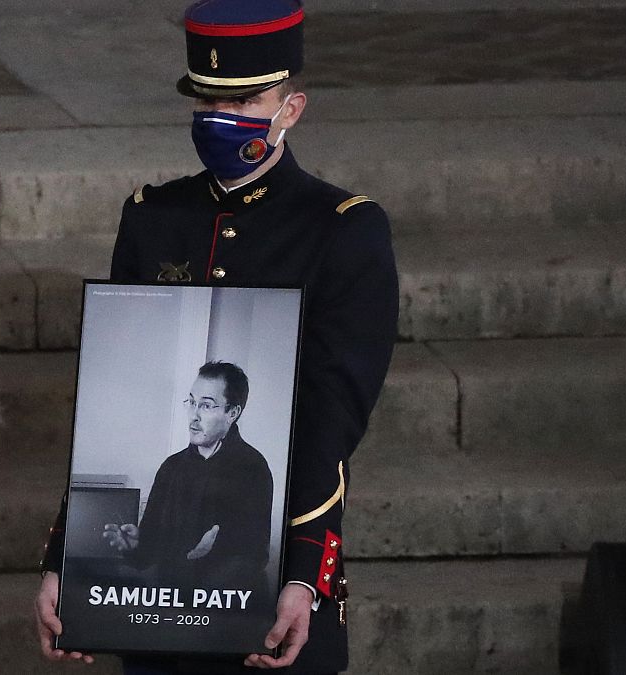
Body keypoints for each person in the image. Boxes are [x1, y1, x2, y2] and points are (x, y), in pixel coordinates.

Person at [36, 0, 399, 672]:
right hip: (157, 629)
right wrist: (68, 562)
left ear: (292, 108)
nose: (218, 118)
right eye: (205, 99)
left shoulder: (343, 231)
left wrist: (303, 574)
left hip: (267, 607)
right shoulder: (153, 218)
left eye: (245, 100)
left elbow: (330, 422)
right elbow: (93, 413)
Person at [102, 361, 273, 592]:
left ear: (232, 413)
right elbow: (149, 553)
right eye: (192, 402)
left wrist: (210, 551)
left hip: (220, 611)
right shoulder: (171, 467)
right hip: (169, 604)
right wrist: (134, 547)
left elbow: (255, 557)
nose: (194, 416)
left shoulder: (253, 468)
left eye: (206, 406)